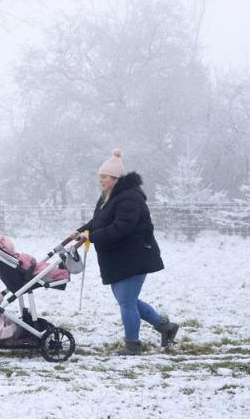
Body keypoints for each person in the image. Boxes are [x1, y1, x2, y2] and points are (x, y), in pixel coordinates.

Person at [70, 148, 179, 356]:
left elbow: (122, 227)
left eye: (104, 177)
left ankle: (132, 345)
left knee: (127, 302)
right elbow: (98, 222)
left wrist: (92, 237)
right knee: (127, 300)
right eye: (100, 176)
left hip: (135, 256)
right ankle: (166, 327)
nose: (100, 180)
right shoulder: (107, 197)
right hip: (119, 257)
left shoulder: (130, 198)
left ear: (116, 178)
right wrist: (82, 230)